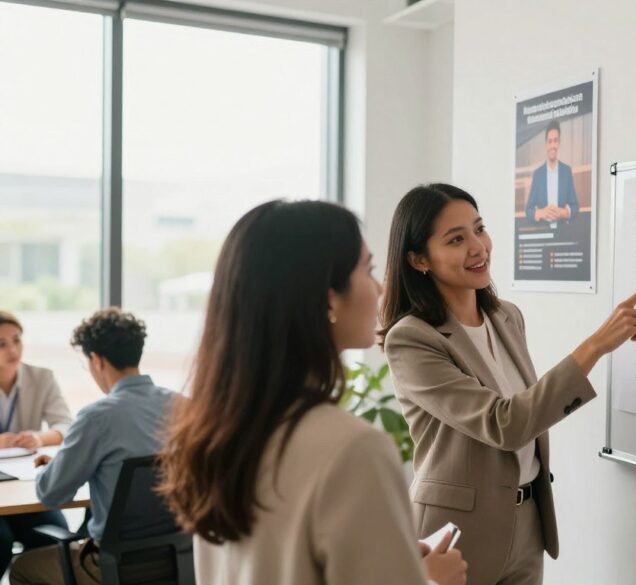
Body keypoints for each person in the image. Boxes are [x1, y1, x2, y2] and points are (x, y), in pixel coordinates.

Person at [156, 200, 466, 585]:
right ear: (328, 297)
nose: (380, 287)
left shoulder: (214, 436)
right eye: (367, 270)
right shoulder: (354, 449)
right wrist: (433, 581)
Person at [380, 183, 636, 585]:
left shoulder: (507, 317)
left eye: (479, 229)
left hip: (528, 519)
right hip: (456, 532)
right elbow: (503, 424)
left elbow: (529, 409)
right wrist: (596, 345)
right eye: (456, 239)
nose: (478, 247)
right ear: (419, 259)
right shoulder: (412, 339)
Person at [9, 308, 175, 584]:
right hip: (180, 559)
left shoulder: (96, 418)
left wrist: (57, 467)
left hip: (114, 567)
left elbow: (51, 493)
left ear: (97, 361)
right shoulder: (185, 407)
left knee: (23, 568)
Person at [0, 311, 73, 577]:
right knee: (1, 541)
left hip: (24, 488)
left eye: (17, 340)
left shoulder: (41, 377)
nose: (13, 350)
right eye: (2, 344)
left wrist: (39, 438)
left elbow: (66, 426)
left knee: (52, 537)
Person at [525, 120, 579, 227]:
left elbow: (575, 206)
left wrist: (564, 213)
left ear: (559, 143)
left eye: (555, 141)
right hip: (543, 235)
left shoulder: (566, 171)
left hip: (563, 234)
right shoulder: (538, 174)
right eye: (550, 141)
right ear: (546, 145)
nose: (553, 145)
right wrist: (540, 213)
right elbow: (529, 210)